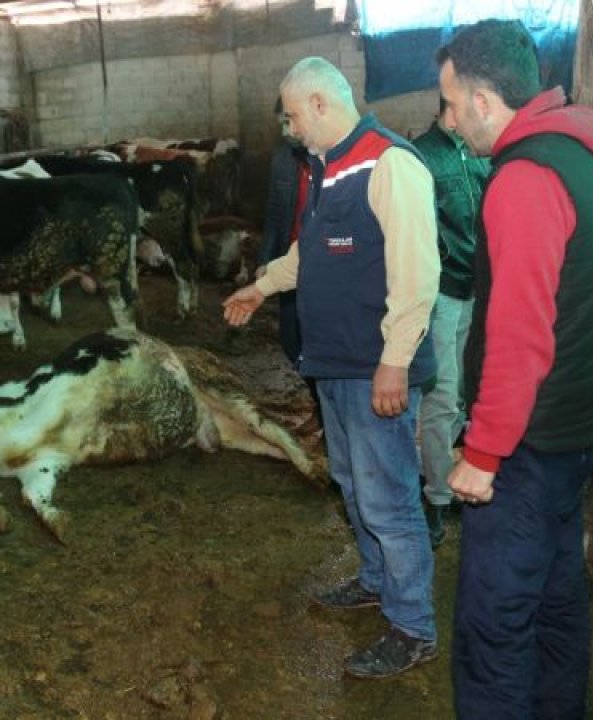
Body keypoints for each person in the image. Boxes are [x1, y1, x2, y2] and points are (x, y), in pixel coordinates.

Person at [223, 56, 440, 679]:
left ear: (320, 103)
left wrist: (395, 362)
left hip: (376, 369)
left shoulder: (389, 163)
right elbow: (310, 252)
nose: (290, 129)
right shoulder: (326, 167)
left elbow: (418, 274)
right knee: (352, 482)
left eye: (292, 116)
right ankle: (376, 581)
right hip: (337, 365)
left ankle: (412, 625)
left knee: (391, 500)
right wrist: (261, 287)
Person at [436, 19, 593, 718]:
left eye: (452, 104)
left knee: (495, 623)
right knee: (555, 598)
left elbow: (520, 334)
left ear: (484, 101)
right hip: (574, 433)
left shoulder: (524, 179)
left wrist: (483, 451)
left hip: (527, 449)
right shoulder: (583, 158)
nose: (448, 120)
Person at [410, 99, 490, 547]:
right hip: (441, 292)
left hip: (474, 287)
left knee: (460, 390)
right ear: (453, 110)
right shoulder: (421, 155)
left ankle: (442, 478)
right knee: (440, 395)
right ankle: (436, 496)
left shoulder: (478, 153)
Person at [257, 98, 310, 364]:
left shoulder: (332, 161)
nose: (285, 132)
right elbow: (274, 215)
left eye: (289, 122)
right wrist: (265, 259)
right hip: (287, 265)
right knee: (291, 341)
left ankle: (321, 401)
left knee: (319, 341)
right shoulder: (282, 160)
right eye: (281, 124)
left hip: (321, 266)